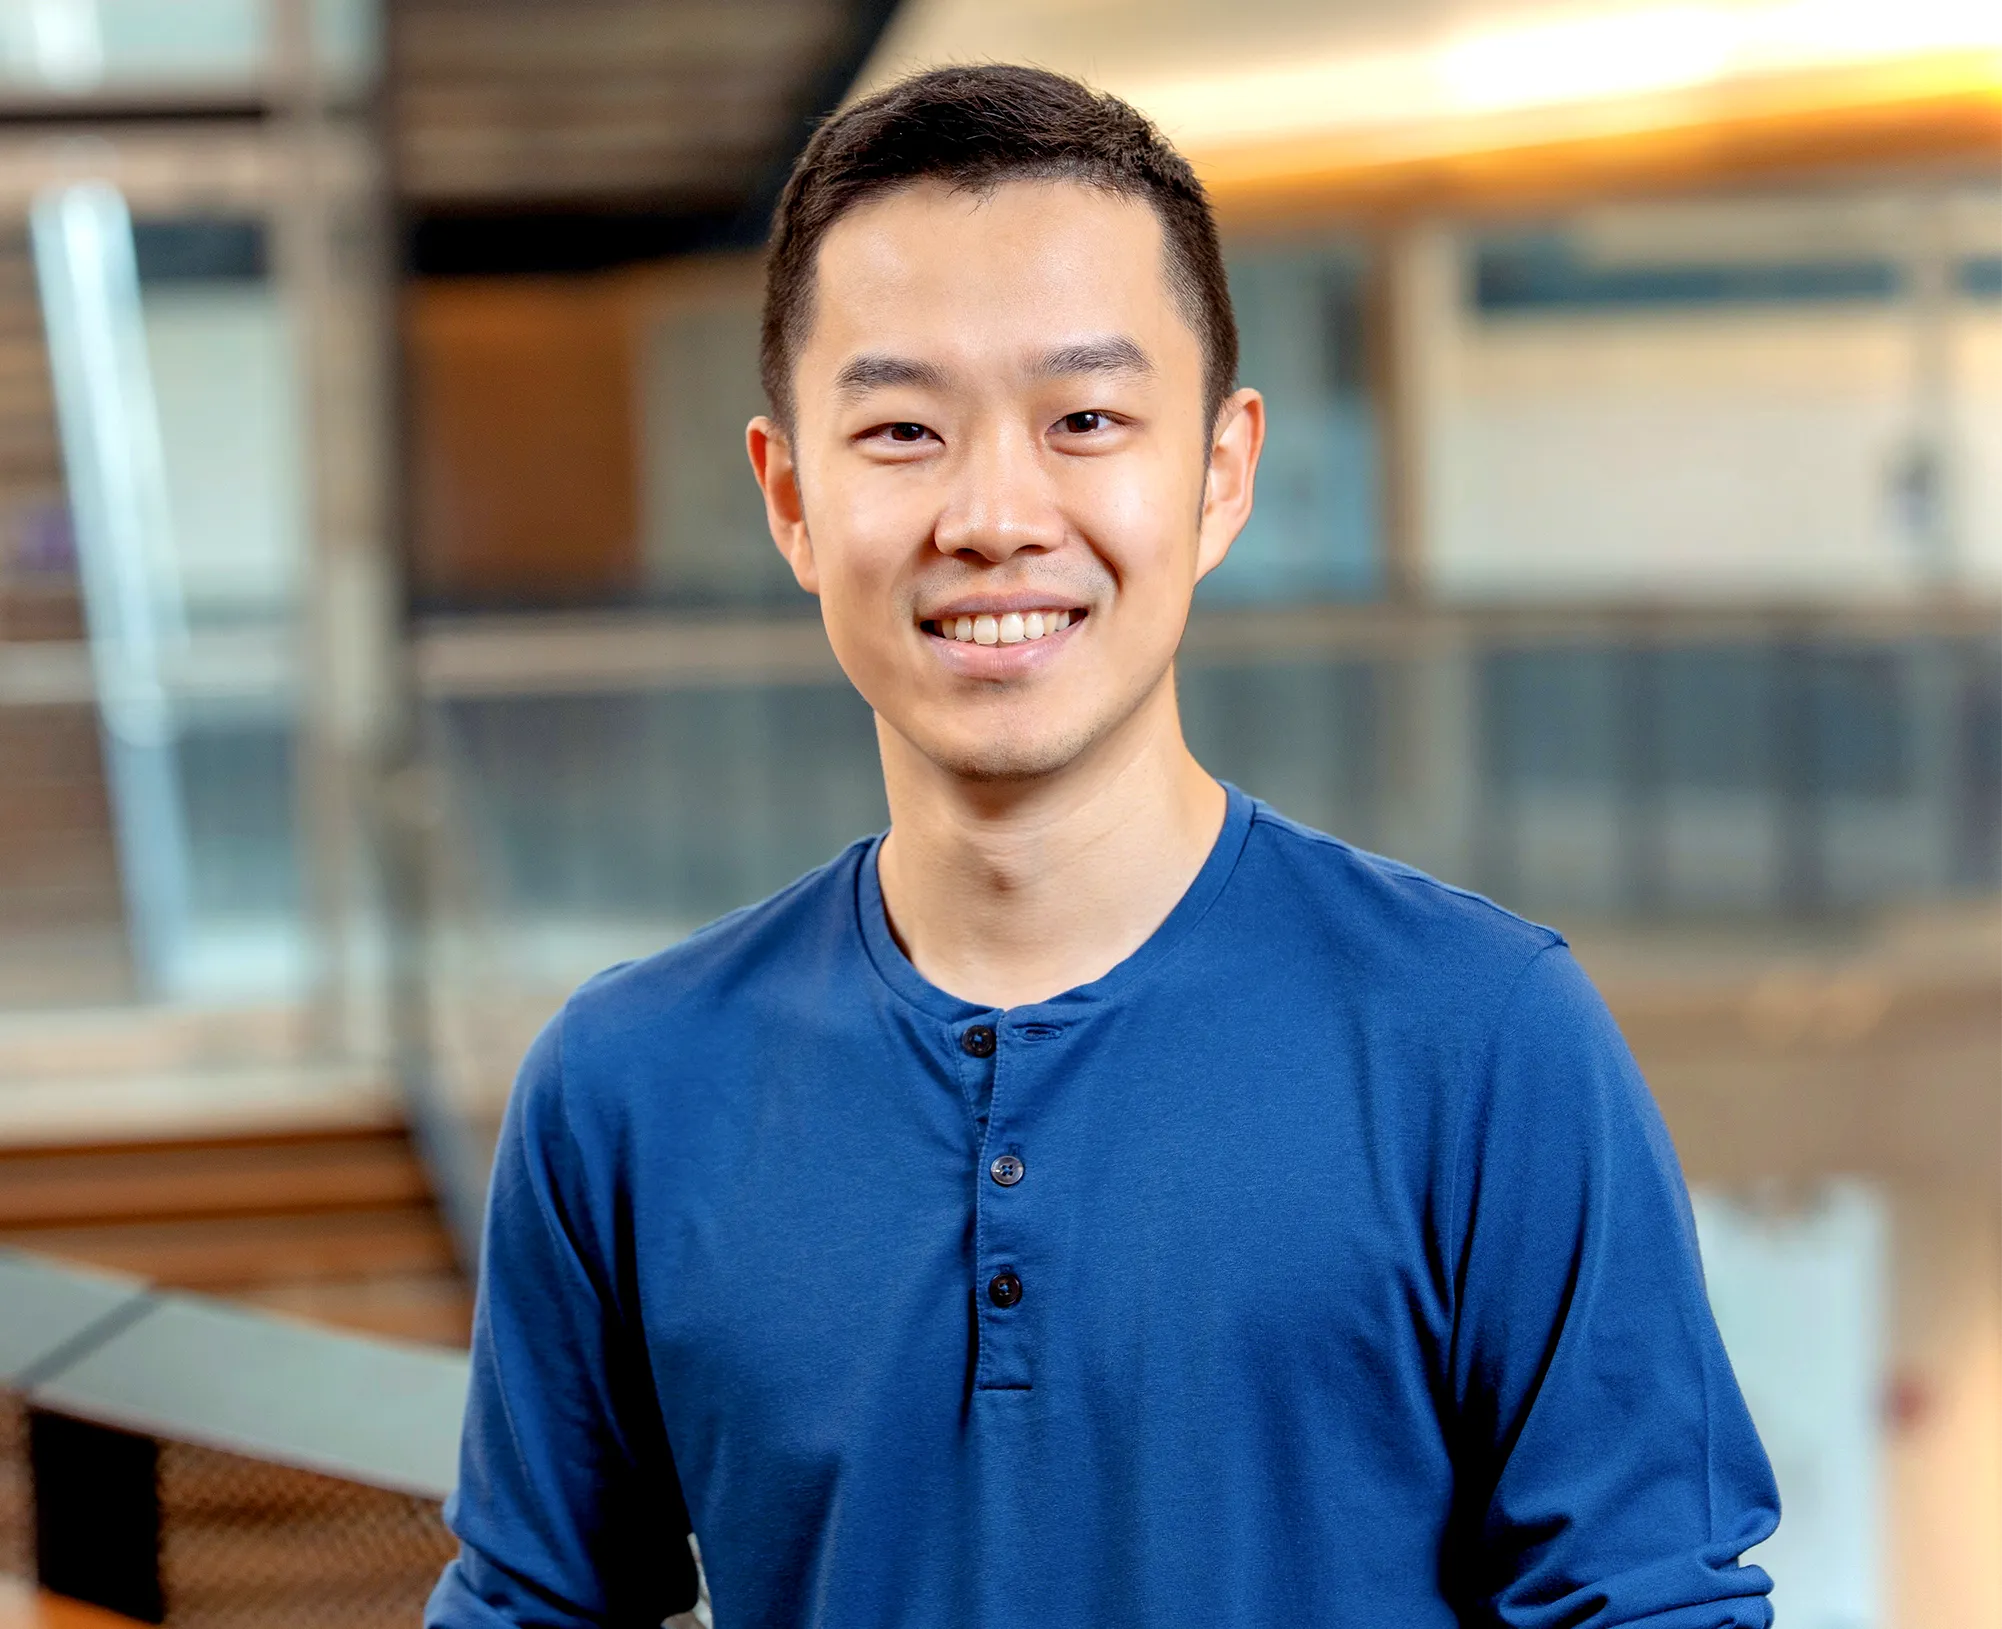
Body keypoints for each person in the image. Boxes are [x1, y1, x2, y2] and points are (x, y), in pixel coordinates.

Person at [426, 64, 1779, 1629]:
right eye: (901, 429)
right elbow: (527, 1609)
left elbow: (1655, 1606)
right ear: (789, 497)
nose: (993, 514)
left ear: (1218, 471)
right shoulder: (625, 1089)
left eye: (1083, 419)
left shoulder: (1478, 1043)